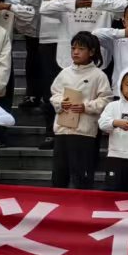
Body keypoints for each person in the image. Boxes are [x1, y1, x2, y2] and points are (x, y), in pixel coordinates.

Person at [48, 31, 111, 190]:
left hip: (84, 133)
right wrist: (61, 103)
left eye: (81, 49)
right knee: (59, 176)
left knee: (82, 176)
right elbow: (54, 94)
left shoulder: (99, 75)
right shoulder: (64, 73)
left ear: (92, 51)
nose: (75, 52)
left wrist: (86, 106)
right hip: (62, 130)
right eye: (73, 48)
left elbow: (106, 100)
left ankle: (83, 204)